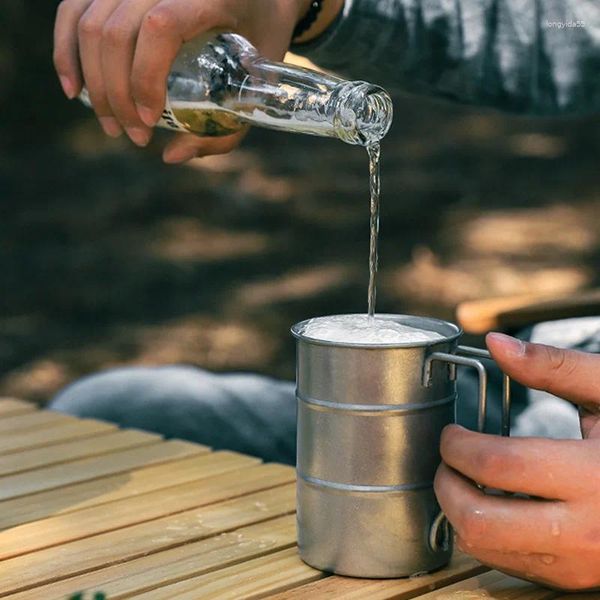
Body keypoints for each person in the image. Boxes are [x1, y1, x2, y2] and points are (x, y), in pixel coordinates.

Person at [51, 0, 600, 591]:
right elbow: (560, 28)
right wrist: (308, 7)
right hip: (562, 368)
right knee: (113, 406)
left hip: (563, 431)